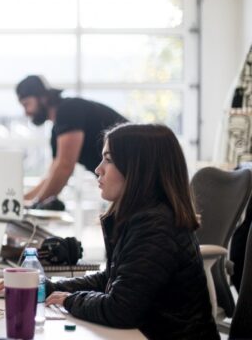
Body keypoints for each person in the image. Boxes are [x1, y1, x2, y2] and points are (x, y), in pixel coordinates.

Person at [44, 123, 219, 339]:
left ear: (137, 168)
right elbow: (112, 279)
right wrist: (49, 288)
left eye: (108, 159)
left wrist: (69, 300)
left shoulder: (156, 226)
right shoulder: (142, 218)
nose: (98, 169)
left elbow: (120, 310)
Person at [15, 75, 127, 209]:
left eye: (27, 104)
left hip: (140, 178)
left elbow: (65, 166)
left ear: (42, 98)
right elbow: (52, 175)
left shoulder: (68, 111)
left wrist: (36, 204)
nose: (26, 112)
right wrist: (21, 203)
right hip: (127, 183)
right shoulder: (57, 129)